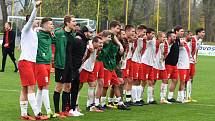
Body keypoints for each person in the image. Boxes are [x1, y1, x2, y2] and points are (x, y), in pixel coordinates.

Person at [18, 1, 49, 120]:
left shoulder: (35, 32)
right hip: (25, 62)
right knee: (32, 87)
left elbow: (42, 28)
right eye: (36, 19)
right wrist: (35, 8)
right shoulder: (26, 29)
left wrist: (49, 30)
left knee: (25, 88)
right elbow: (31, 20)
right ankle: (37, 114)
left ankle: (24, 114)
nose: (38, 21)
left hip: (31, 62)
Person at [67, 25, 94, 116]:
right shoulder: (78, 40)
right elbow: (70, 53)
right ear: (85, 33)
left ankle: (73, 109)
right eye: (90, 32)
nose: (91, 34)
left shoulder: (84, 41)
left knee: (75, 87)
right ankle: (68, 109)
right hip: (72, 68)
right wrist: (72, 67)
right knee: (70, 88)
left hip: (77, 68)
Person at [52, 15, 76, 117]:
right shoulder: (58, 33)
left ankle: (64, 110)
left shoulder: (73, 34)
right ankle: (57, 111)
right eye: (73, 21)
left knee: (68, 87)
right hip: (61, 64)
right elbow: (50, 41)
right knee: (58, 87)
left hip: (70, 65)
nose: (75, 23)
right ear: (67, 22)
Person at [35, 17, 55, 118]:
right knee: (45, 86)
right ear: (45, 25)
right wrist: (38, 28)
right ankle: (49, 110)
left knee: (40, 87)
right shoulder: (37, 34)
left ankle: (37, 110)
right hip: (40, 63)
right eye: (51, 24)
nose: (52, 26)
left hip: (47, 63)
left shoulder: (50, 35)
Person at [78, 36, 103, 112]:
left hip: (90, 69)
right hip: (84, 68)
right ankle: (75, 105)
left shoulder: (96, 48)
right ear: (94, 42)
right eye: (99, 43)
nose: (101, 44)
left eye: (101, 43)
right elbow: (89, 44)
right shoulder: (89, 45)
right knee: (79, 86)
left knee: (93, 85)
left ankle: (91, 106)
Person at [186, 28, 205, 102]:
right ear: (198, 33)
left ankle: (189, 96)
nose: (204, 34)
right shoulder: (192, 39)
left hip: (192, 61)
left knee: (191, 78)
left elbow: (196, 50)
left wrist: (195, 58)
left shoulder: (199, 40)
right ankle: (184, 96)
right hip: (188, 61)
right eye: (202, 32)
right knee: (186, 79)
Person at [131, 25, 147, 106]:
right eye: (144, 32)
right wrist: (137, 36)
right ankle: (134, 100)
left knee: (139, 80)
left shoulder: (142, 39)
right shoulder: (134, 38)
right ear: (139, 31)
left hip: (139, 61)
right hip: (134, 60)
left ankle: (138, 98)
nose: (145, 34)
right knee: (134, 80)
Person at [166, 25, 183, 103]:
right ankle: (162, 97)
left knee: (175, 80)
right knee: (165, 80)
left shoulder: (178, 40)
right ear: (176, 32)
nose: (182, 33)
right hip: (168, 63)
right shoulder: (171, 40)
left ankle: (170, 97)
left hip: (174, 64)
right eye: (181, 31)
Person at [141, 28, 156, 104]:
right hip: (145, 62)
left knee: (151, 81)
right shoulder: (146, 40)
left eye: (154, 34)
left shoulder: (153, 40)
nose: (153, 35)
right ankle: (139, 98)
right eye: (152, 33)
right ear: (147, 34)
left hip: (151, 63)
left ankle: (150, 99)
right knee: (144, 81)